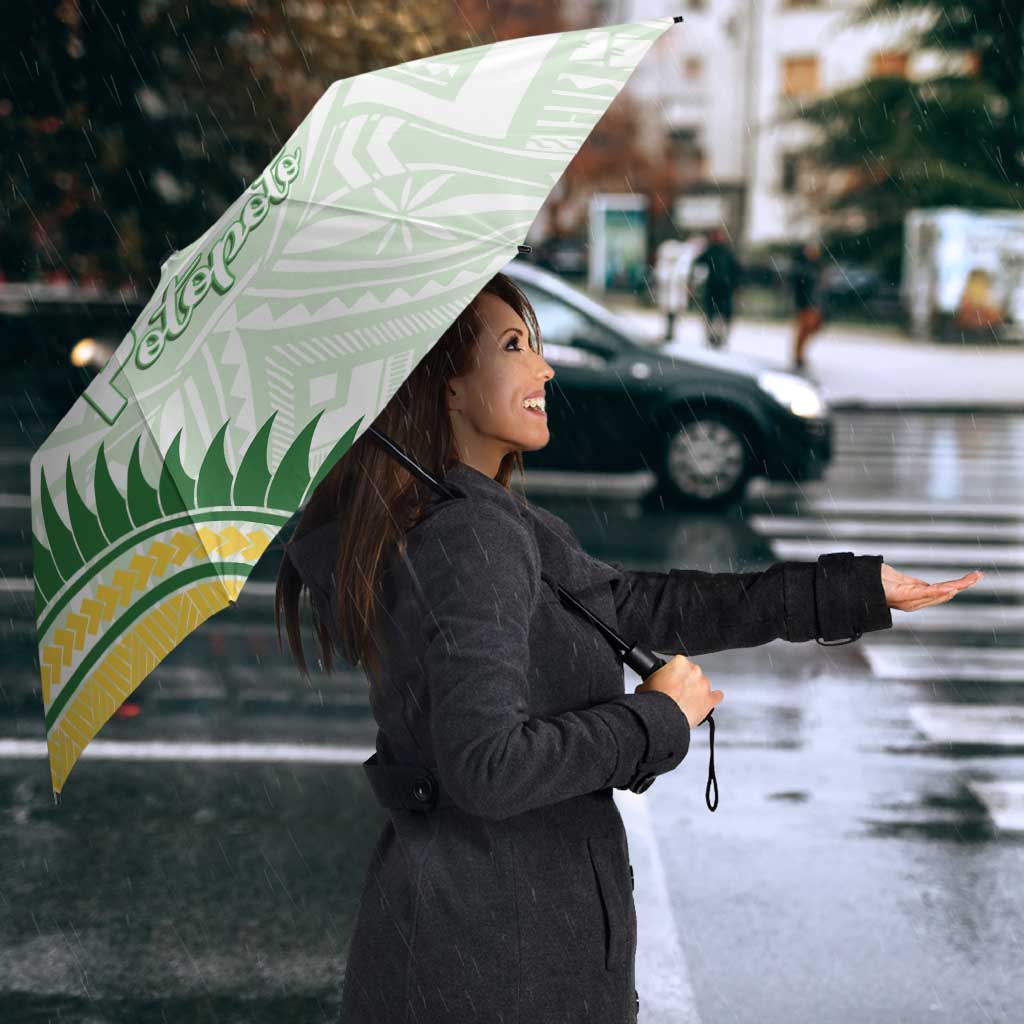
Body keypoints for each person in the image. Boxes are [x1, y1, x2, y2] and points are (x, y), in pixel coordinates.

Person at [276, 271, 980, 1024]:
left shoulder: (470, 518)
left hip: (474, 941)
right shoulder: (471, 536)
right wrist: (655, 719)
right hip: (501, 963)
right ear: (445, 384)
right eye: (514, 347)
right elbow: (488, 767)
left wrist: (848, 590)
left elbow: (639, 606)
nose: (544, 368)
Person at [692, 226, 742, 349]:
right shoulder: (714, 251)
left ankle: (719, 337)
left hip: (722, 289)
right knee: (714, 314)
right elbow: (698, 263)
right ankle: (713, 337)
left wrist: (735, 284)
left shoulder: (724, 252)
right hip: (716, 288)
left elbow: (736, 270)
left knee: (719, 315)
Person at [790, 239, 826, 370]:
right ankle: (798, 355)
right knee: (804, 329)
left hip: (814, 303)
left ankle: (799, 354)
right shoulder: (802, 267)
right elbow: (799, 286)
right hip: (805, 303)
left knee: (812, 327)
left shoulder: (816, 266)